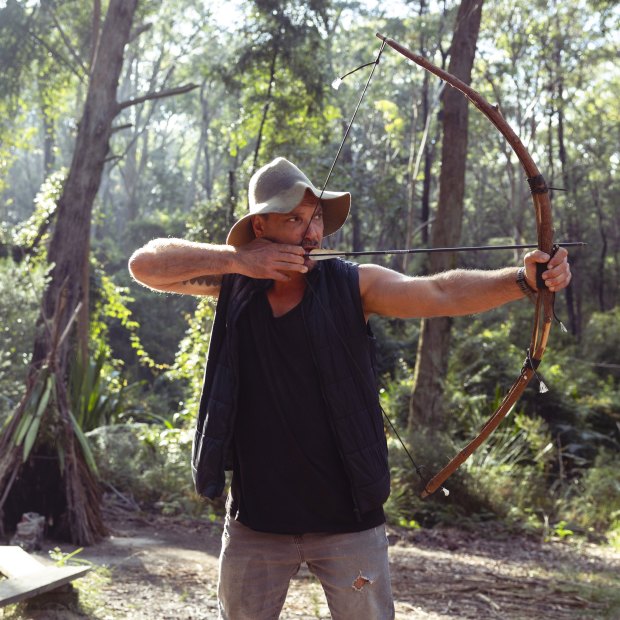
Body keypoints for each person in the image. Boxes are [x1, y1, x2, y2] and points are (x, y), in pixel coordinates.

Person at [128, 157, 572, 620]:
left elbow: (440, 292)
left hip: (348, 524)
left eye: (316, 217)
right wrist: (240, 261)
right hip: (255, 522)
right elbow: (145, 264)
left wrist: (522, 280)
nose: (311, 233)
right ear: (260, 226)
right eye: (294, 219)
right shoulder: (234, 284)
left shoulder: (352, 285)